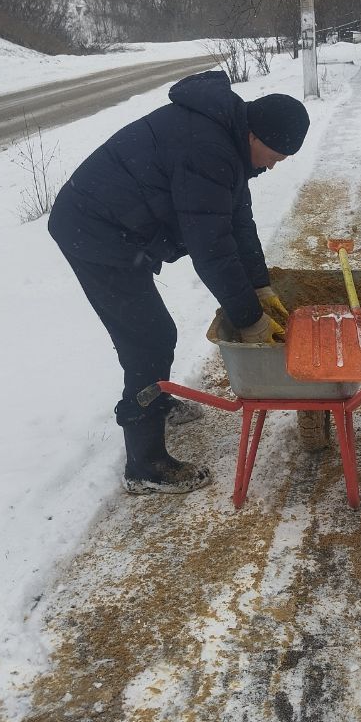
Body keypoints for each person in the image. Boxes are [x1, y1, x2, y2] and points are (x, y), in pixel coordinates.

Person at [48, 68, 310, 495]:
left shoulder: (227, 137)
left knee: (149, 333)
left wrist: (260, 286)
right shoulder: (207, 149)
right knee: (148, 336)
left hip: (117, 224)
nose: (274, 166)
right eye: (276, 156)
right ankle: (145, 463)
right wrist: (249, 319)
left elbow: (236, 222)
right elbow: (211, 249)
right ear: (257, 137)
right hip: (95, 231)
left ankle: (157, 399)